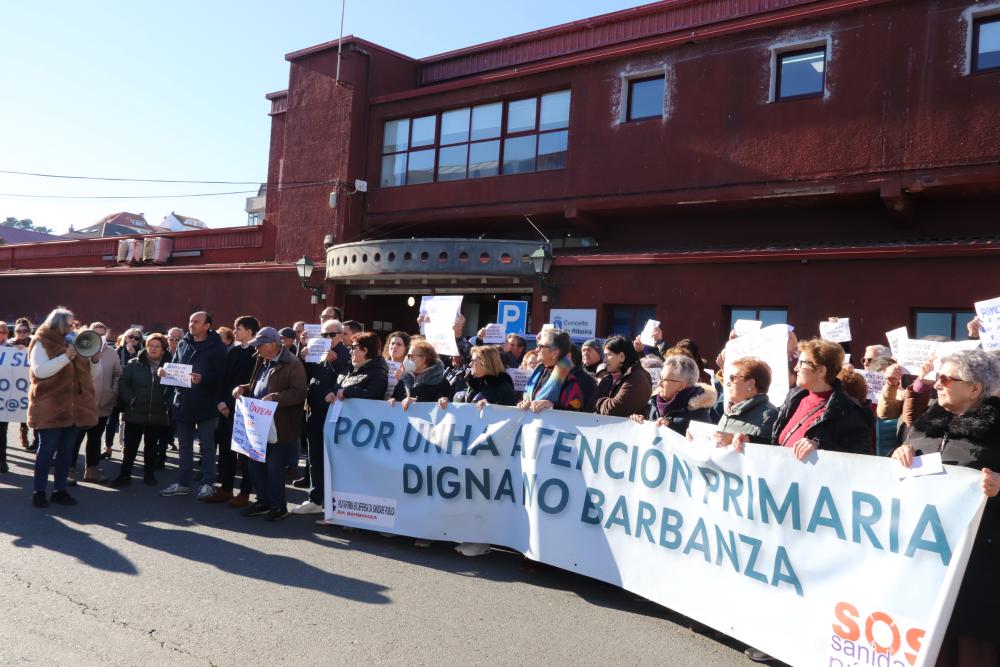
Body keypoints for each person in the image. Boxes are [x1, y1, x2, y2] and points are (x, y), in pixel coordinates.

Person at [890, 350, 1000, 666]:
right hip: (927, 551)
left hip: (979, 557)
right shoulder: (926, 424)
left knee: (971, 643)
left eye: (946, 378)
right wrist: (899, 455)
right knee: (930, 639)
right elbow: (904, 472)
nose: (936, 384)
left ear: (975, 389)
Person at [233, 327, 307, 521]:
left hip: (280, 426)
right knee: (255, 465)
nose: (256, 349)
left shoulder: (292, 363)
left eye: (259, 345)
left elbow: (300, 393)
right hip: (258, 423)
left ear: (271, 345)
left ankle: (278, 506)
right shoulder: (262, 359)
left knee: (274, 469)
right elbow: (258, 384)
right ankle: (263, 501)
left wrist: (277, 397)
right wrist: (243, 387)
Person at [27, 307, 98, 507]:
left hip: (74, 409)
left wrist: (93, 361)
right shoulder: (41, 341)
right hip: (51, 409)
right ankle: (39, 491)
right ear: (57, 323)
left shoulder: (75, 342)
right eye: (69, 324)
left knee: (66, 453)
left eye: (74, 323)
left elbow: (92, 377)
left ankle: (60, 490)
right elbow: (40, 371)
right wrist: (66, 357)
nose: (73, 327)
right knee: (46, 452)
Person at [765, 338, 874, 459]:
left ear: (821, 371)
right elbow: (777, 443)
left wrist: (820, 447)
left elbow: (860, 459)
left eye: (802, 363)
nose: (796, 368)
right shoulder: (794, 398)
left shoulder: (848, 412)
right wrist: (750, 439)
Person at [159, 311, 228, 499]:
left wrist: (204, 379)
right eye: (190, 321)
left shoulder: (217, 347)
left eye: (196, 322)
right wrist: (165, 373)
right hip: (184, 402)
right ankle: (183, 483)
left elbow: (223, 376)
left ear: (207, 326)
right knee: (184, 445)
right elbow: (174, 366)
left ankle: (207, 484)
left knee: (207, 446)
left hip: (207, 403)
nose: (191, 324)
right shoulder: (183, 343)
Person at [291, 319, 352, 515]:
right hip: (314, 411)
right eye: (324, 335)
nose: (327, 338)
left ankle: (333, 502)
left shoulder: (347, 353)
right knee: (314, 457)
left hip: (334, 414)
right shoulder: (317, 350)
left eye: (331, 335)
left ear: (341, 336)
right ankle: (315, 498)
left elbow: (348, 378)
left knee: (332, 459)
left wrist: (335, 363)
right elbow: (309, 376)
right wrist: (302, 356)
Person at [204, 315, 260, 505]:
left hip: (247, 409)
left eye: (239, 328)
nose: (234, 331)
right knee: (226, 450)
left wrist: (234, 404)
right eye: (235, 328)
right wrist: (221, 402)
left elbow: (255, 384)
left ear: (250, 331)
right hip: (227, 408)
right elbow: (224, 379)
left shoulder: (258, 353)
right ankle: (226, 488)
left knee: (245, 453)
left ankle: (245, 493)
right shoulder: (233, 351)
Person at [112, 333, 174, 487]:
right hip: (135, 411)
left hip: (158, 413)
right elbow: (124, 382)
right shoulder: (134, 363)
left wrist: (167, 399)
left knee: (152, 447)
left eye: (156, 346)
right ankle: (124, 475)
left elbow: (175, 389)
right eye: (150, 345)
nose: (152, 349)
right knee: (131, 447)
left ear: (163, 350)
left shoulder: (171, 367)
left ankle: (149, 475)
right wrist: (131, 399)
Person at [69, 322, 121, 484]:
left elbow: (118, 374)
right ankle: (68, 470)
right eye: (95, 334)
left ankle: (91, 470)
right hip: (81, 404)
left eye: (102, 335)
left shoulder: (112, 353)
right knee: (75, 438)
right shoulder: (79, 350)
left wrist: (113, 391)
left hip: (103, 403)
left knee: (95, 437)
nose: (99, 338)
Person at [630, 354, 715, 435]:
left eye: (665, 380)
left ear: (682, 385)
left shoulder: (698, 414)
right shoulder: (652, 402)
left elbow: (703, 446)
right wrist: (641, 423)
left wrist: (671, 428)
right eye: (660, 377)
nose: (659, 384)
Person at [714, 358, 778, 444]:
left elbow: (766, 453)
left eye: (732, 378)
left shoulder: (768, 416)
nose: (727, 383)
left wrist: (734, 441)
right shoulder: (731, 410)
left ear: (750, 383)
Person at [518, 329, 583, 413]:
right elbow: (529, 398)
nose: (536, 350)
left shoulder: (569, 380)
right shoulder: (538, 372)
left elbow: (576, 412)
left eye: (541, 346)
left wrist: (551, 406)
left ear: (555, 353)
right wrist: (524, 403)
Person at [104, 327, 143, 458]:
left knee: (126, 421)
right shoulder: (116, 352)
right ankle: (108, 446)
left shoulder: (142, 355)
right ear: (125, 337)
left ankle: (125, 445)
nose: (133, 340)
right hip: (116, 390)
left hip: (131, 391)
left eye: (136, 338)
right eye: (130, 336)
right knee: (111, 420)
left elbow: (139, 371)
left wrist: (133, 354)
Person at [440, 345, 517, 409]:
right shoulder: (470, 381)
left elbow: (508, 416)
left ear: (485, 363)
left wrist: (491, 406)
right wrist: (448, 403)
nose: (470, 364)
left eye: (474, 361)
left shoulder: (503, 387)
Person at [594, 335, 652, 417]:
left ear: (621, 356)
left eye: (608, 355)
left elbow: (613, 410)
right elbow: (590, 405)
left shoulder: (637, 378)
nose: (604, 360)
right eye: (604, 356)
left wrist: (598, 402)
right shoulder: (607, 379)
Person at [391, 340, 453, 407]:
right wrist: (393, 400)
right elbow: (394, 397)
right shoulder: (404, 381)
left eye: (410, 356)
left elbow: (447, 407)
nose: (407, 359)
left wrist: (417, 401)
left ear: (424, 358)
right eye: (407, 356)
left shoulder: (441, 383)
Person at [338, 332, 389, 401]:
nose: (350, 351)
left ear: (365, 350)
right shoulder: (349, 367)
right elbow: (337, 387)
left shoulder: (378, 373)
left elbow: (374, 395)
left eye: (353, 348)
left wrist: (347, 392)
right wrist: (330, 392)